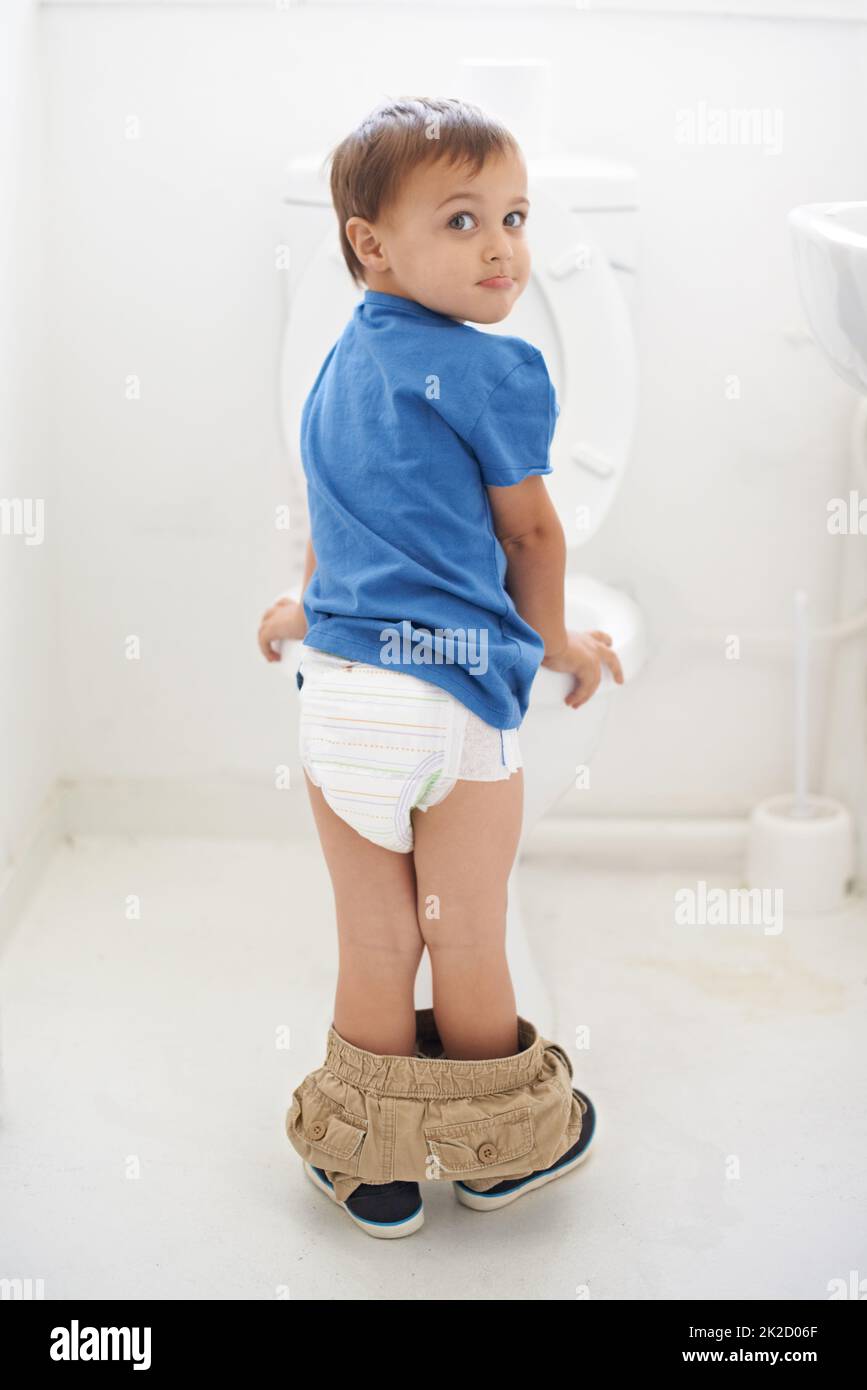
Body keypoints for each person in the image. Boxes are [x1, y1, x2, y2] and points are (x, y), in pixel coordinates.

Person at [257, 97, 623, 1239]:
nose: (505, 246)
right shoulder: (496, 370)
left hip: (342, 699)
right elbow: (534, 537)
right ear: (372, 243)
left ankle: (367, 1166)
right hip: (456, 700)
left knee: (376, 940)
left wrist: (303, 604)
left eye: (512, 216)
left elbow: (338, 511)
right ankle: (495, 1154)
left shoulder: (335, 368)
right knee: (465, 928)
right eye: (462, 221)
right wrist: (556, 643)